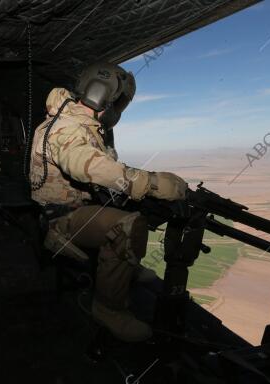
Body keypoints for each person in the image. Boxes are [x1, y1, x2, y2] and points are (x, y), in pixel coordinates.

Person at [29, 61, 187, 342]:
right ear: (101, 95)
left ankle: (124, 265)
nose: (118, 111)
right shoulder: (66, 127)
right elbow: (82, 164)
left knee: (137, 208)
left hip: (80, 209)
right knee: (128, 225)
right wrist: (149, 182)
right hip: (61, 220)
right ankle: (108, 309)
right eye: (119, 103)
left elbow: (106, 166)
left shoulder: (81, 125)